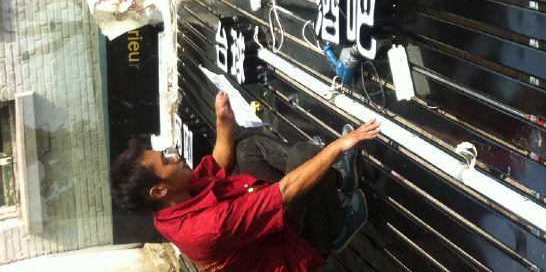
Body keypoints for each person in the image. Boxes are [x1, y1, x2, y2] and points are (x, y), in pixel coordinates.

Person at [110, 91, 380, 271]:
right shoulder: (207, 229)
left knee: (247, 149)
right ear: (159, 190)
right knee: (304, 155)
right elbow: (285, 192)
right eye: (166, 161)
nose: (175, 157)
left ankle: (336, 178)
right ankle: (336, 229)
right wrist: (339, 145)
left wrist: (223, 119)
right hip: (293, 248)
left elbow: (219, 163)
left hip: (270, 225)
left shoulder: (175, 198)